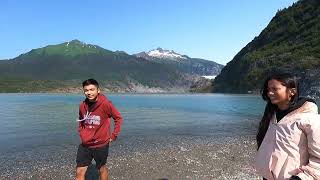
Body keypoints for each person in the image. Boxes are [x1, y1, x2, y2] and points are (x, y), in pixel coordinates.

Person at [254, 72, 320, 180]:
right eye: (268, 89)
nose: (270, 93)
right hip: (268, 176)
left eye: (275, 89)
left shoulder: (309, 117)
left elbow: (318, 157)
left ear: (292, 91)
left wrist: (301, 178)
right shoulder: (271, 115)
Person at [76, 79, 123, 180]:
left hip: (100, 145)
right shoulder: (82, 105)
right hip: (85, 144)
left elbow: (118, 118)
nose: (89, 92)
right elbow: (81, 119)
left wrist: (114, 135)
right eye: (86, 90)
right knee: (80, 171)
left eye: (92, 89)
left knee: (101, 169)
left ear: (98, 90)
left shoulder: (106, 104)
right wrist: (81, 132)